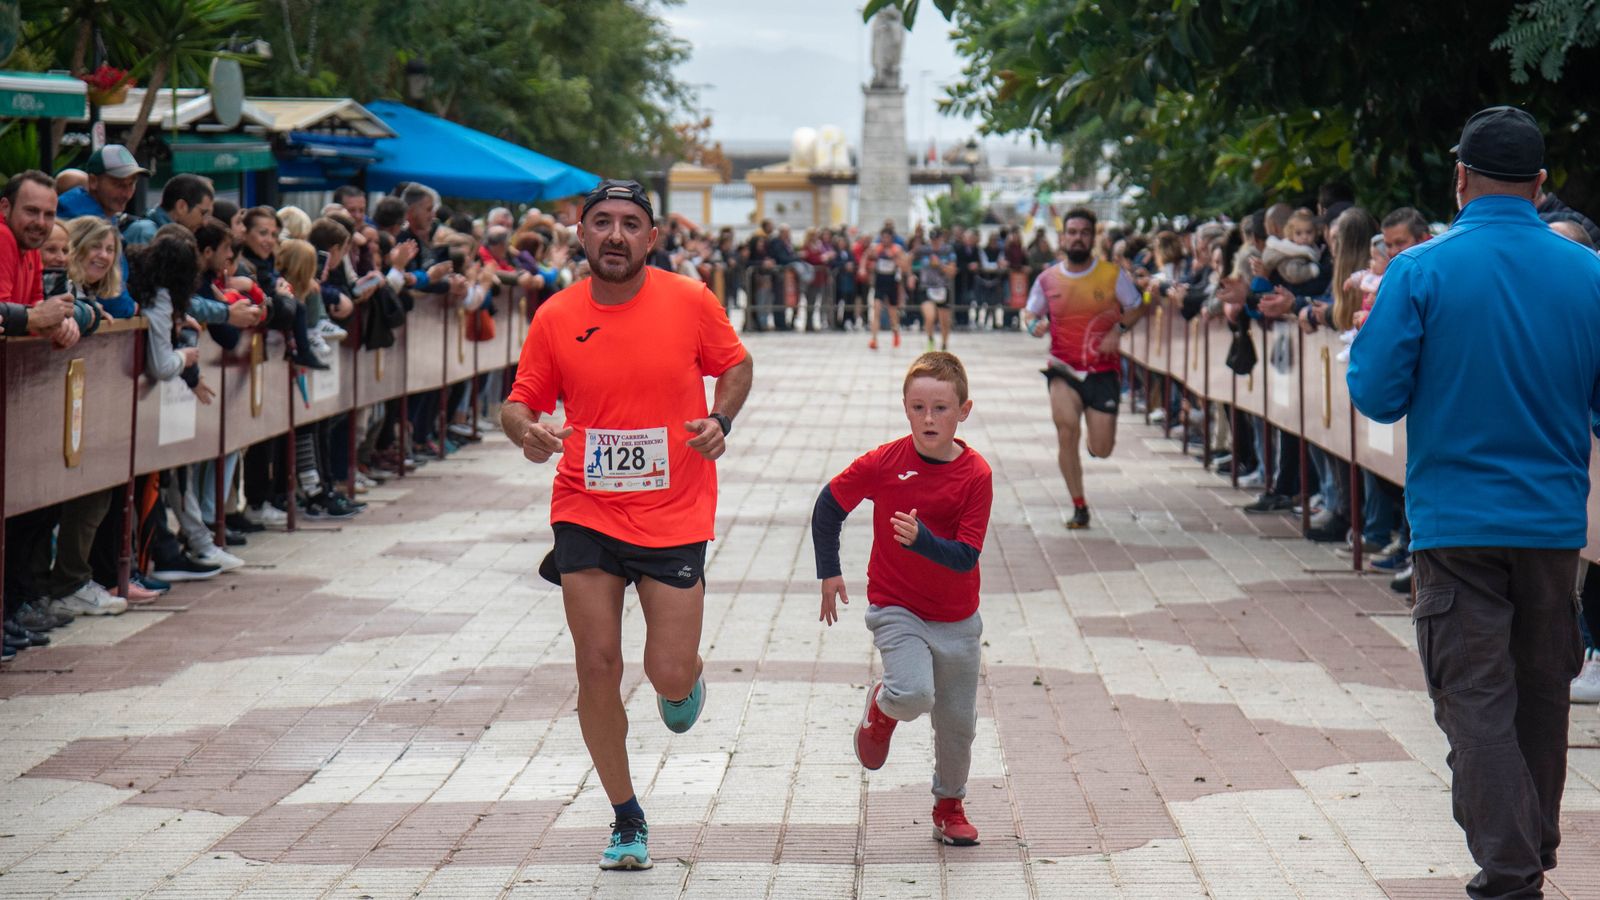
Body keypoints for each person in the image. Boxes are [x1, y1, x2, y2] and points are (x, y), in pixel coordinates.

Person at [1348, 106, 1600, 900]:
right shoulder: (1590, 274)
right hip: (1555, 525)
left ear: (1459, 178)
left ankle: (1512, 870)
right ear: (1540, 184)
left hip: (1455, 524)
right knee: (1540, 697)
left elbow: (1377, 395)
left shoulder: (1419, 269)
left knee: (1473, 701)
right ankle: (1529, 844)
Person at [500, 179, 753, 871]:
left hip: (675, 508)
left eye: (631, 224)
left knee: (665, 673)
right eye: (603, 223)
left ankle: (685, 680)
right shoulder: (556, 315)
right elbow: (519, 402)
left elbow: (734, 365)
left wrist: (719, 419)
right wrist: (527, 431)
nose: (616, 235)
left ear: (652, 237)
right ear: (580, 235)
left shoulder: (689, 300)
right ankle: (625, 816)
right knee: (596, 664)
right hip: (585, 505)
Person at [812, 351, 993, 846]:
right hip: (897, 607)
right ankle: (883, 708)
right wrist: (829, 571)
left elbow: (965, 556)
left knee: (958, 725)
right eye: (917, 408)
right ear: (905, 408)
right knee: (914, 694)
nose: (928, 419)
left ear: (964, 410)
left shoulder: (976, 475)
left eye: (940, 408)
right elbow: (828, 507)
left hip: (958, 618)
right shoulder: (885, 462)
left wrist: (922, 540)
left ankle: (949, 806)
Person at [1023, 207, 1145, 529]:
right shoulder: (1047, 279)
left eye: (1084, 233)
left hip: (1102, 371)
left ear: (1093, 238)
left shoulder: (1111, 275)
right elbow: (1030, 313)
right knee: (1066, 431)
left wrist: (1117, 331)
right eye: (1072, 232)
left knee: (1102, 449)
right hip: (1063, 369)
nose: (1078, 238)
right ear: (1063, 238)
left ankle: (1095, 442)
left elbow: (1135, 306)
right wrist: (1033, 325)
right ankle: (1079, 505)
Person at [861, 225, 904, 350]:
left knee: (892, 313)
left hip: (891, 282)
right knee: (876, 311)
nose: (885, 240)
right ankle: (874, 339)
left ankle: (895, 330)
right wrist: (863, 268)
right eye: (883, 237)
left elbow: (904, 264)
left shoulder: (897, 249)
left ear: (891, 238)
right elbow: (865, 256)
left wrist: (895, 259)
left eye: (887, 238)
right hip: (880, 282)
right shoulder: (876, 248)